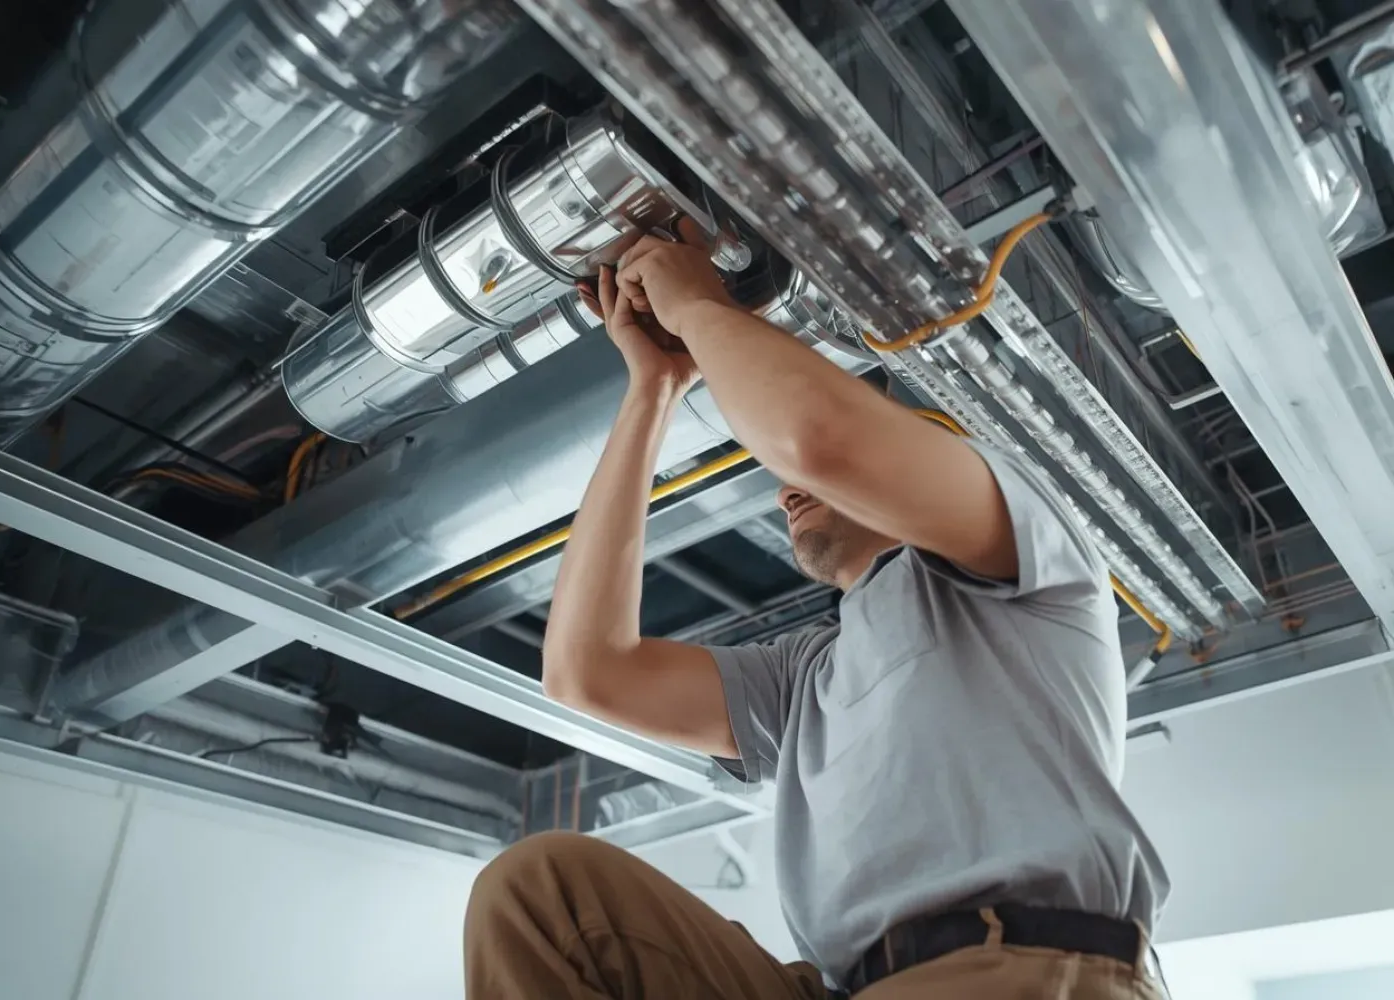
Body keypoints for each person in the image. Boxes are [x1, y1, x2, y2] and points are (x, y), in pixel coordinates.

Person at [463, 221, 1169, 999]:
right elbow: (586, 672)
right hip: (845, 988)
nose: (784, 489)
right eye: (783, 482)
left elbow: (818, 439)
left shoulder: (1024, 552)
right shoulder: (806, 678)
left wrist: (700, 305)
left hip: (1015, 967)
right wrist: (654, 391)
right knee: (540, 897)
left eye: (801, 476)